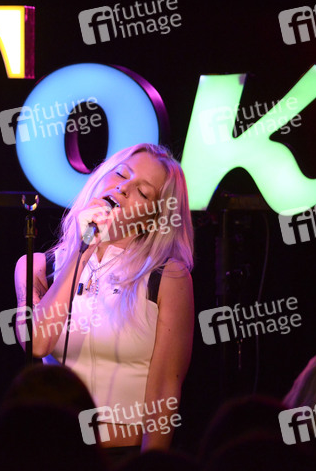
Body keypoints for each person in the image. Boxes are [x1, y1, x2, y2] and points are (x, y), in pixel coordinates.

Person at [13, 143, 194, 456]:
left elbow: (166, 388)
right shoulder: (37, 267)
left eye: (143, 192)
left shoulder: (167, 277)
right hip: (53, 453)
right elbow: (36, 343)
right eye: (121, 175)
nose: (123, 188)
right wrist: (82, 251)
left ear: (153, 218)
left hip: (124, 453)